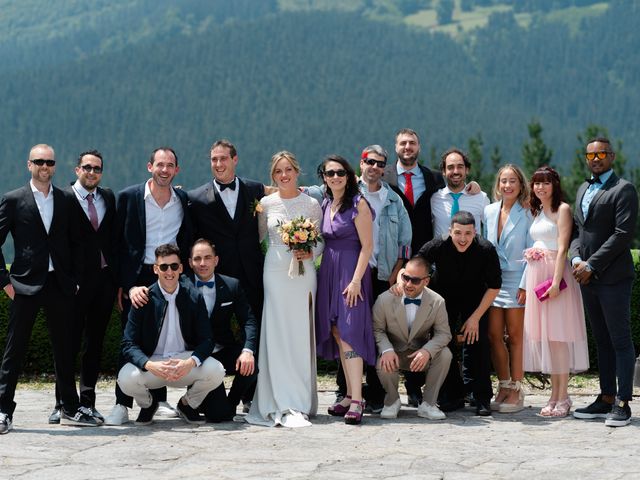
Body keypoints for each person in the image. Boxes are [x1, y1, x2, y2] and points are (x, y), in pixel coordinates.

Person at [0, 144, 99, 434]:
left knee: (65, 349)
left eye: (50, 162)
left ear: (55, 166)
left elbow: (81, 241)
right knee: (13, 350)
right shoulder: (13, 200)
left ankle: (68, 407)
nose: (45, 166)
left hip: (60, 285)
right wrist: (4, 282)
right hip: (24, 285)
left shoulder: (67, 200)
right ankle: (4, 409)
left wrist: (76, 278)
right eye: (39, 161)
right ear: (29, 164)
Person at [384, 130, 480, 406]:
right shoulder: (385, 175)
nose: (407, 147)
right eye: (403, 143)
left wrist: (472, 185)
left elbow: (457, 189)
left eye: (412, 143)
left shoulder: (434, 179)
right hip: (395, 261)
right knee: (396, 324)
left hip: (429, 263)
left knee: (423, 325)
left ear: (419, 147)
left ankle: (418, 387)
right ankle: (382, 387)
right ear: (396, 147)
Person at [105, 147, 192, 425]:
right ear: (149, 167)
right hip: (139, 274)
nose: (164, 170)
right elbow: (115, 244)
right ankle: (121, 403)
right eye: (159, 165)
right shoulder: (129, 197)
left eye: (170, 166)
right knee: (130, 339)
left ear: (177, 170)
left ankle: (160, 400)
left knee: (166, 334)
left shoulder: (183, 199)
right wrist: (125, 284)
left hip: (171, 273)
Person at [129, 238, 259, 422]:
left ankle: (232, 403)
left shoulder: (232, 285)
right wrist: (135, 289)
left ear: (216, 260)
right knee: (215, 415)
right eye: (197, 259)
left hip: (221, 349)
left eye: (208, 258)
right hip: (193, 353)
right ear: (189, 263)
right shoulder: (177, 281)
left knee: (252, 365)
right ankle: (189, 403)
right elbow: (156, 284)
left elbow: (249, 321)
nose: (203, 263)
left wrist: (247, 351)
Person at [245, 151, 322, 427]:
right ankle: (276, 398)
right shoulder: (266, 204)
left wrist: (309, 251)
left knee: (300, 333)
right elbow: (257, 238)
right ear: (273, 176)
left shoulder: (312, 204)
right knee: (276, 332)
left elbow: (322, 239)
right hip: (275, 270)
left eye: (288, 169)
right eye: (278, 171)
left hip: (304, 273)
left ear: (296, 171)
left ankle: (300, 400)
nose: (284, 175)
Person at [570, 138, 638, 427]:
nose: (595, 159)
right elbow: (577, 231)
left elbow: (623, 234)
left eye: (601, 154)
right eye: (590, 155)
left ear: (611, 156)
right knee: (602, 340)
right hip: (585, 277)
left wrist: (592, 265)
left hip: (613, 278)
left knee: (620, 340)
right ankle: (606, 398)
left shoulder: (624, 189)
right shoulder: (583, 188)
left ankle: (623, 403)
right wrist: (575, 260)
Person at [118, 244, 225, 425]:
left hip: (183, 362)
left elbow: (207, 340)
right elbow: (128, 344)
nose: (170, 272)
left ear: (181, 268)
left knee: (217, 370)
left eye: (174, 266)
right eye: (164, 267)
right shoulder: (143, 298)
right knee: (126, 378)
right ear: (155, 269)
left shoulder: (193, 296)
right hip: (153, 363)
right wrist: (150, 365)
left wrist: (189, 362)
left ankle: (187, 404)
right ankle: (148, 404)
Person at [49, 150, 118, 425]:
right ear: (77, 169)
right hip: (74, 285)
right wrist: (66, 280)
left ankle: (87, 403)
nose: (92, 172)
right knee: (68, 344)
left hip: (103, 282)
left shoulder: (108, 197)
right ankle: (61, 403)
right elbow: (55, 241)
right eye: (87, 167)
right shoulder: (62, 198)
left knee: (94, 344)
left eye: (97, 168)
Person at [411, 211, 501, 416]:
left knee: (478, 343)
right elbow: (416, 265)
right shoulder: (437, 245)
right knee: (444, 342)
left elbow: (495, 286)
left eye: (468, 234)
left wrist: (475, 318)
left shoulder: (486, 249)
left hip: (475, 298)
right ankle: (451, 395)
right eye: (458, 233)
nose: (463, 238)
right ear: (450, 231)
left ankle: (481, 397)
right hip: (444, 298)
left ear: (475, 232)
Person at [523, 166, 589, 418]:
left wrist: (555, 282)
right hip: (536, 277)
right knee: (549, 340)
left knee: (559, 339)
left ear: (555, 185)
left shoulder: (562, 209)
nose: (540, 187)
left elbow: (562, 248)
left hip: (555, 278)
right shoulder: (537, 210)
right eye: (537, 183)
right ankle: (554, 395)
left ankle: (564, 396)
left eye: (545, 183)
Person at [316, 155, 376, 425]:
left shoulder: (358, 203)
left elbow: (367, 247)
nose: (336, 176)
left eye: (341, 172)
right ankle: (349, 394)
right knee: (339, 332)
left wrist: (355, 281)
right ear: (324, 178)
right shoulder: (327, 202)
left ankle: (358, 399)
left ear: (349, 175)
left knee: (350, 332)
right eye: (330, 173)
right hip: (329, 271)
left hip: (352, 273)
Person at [188, 139, 265, 320]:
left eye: (223, 159)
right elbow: (190, 237)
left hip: (253, 272)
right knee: (218, 330)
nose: (218, 164)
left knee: (257, 324)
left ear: (235, 159)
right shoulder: (196, 198)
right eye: (214, 160)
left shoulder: (255, 189)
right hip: (218, 275)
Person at [373, 256, 452, 420]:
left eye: (415, 280)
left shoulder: (437, 302)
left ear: (426, 281)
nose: (408, 284)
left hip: (420, 354)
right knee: (383, 359)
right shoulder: (384, 299)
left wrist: (427, 351)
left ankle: (428, 404)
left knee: (445, 354)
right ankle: (392, 401)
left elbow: (444, 334)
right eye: (406, 278)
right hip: (394, 352)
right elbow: (377, 329)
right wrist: (387, 349)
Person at [483, 165, 532, 413]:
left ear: (521, 185)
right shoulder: (489, 211)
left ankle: (517, 388)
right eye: (503, 181)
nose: (507, 185)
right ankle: (503, 384)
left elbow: (533, 251)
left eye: (513, 181)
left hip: (517, 280)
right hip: (493, 281)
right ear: (498, 184)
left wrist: (525, 283)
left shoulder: (528, 213)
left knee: (514, 337)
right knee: (493, 335)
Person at [431, 148, 489, 240]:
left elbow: (490, 229)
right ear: (443, 172)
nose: (456, 171)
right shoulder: (434, 198)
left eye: (460, 167)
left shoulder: (481, 198)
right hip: (441, 253)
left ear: (467, 170)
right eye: (450, 167)